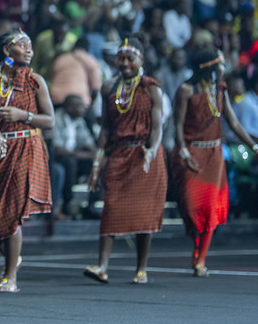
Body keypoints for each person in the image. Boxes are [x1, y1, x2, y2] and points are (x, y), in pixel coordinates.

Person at [0, 30, 55, 293]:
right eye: (22, 45)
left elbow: (50, 121)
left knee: (12, 213)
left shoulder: (35, 80)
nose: (29, 49)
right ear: (7, 51)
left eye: (30, 45)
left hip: (25, 147)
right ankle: (13, 258)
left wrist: (24, 115)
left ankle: (10, 276)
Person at [84, 37, 167, 285]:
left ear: (140, 59)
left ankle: (141, 268)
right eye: (121, 58)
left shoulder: (151, 87)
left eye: (130, 58)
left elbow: (157, 127)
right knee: (110, 207)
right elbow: (105, 129)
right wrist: (97, 164)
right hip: (119, 154)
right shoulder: (109, 87)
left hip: (145, 155)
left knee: (144, 213)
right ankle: (102, 267)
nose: (125, 63)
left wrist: (151, 150)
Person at [171, 47, 258, 277]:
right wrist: (183, 152)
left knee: (209, 207)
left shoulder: (220, 90)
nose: (223, 67)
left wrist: (254, 146)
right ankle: (196, 245)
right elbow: (178, 125)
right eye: (220, 63)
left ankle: (200, 258)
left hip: (214, 155)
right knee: (191, 206)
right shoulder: (186, 90)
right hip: (192, 152)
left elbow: (234, 123)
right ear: (207, 67)